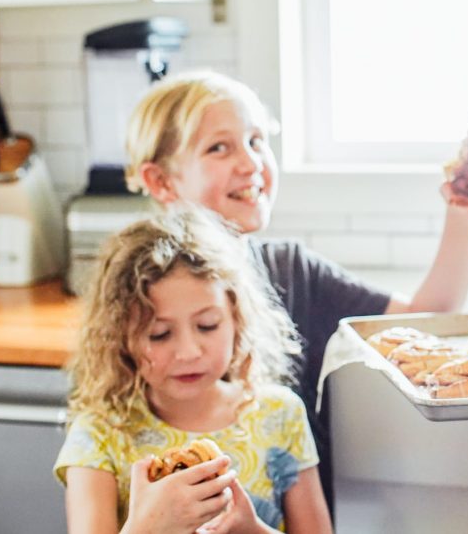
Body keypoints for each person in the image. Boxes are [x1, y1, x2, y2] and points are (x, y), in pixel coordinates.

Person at [124, 71, 468, 510]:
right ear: (160, 182)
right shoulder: (135, 294)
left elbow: (424, 318)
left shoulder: (293, 271)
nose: (250, 163)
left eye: (256, 140)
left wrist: (465, 217)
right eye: (219, 147)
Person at [54, 210, 332, 533]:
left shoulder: (279, 414)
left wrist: (252, 529)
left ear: (236, 319)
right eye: (159, 333)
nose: (188, 352)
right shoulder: (100, 434)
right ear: (120, 338)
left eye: (207, 325)